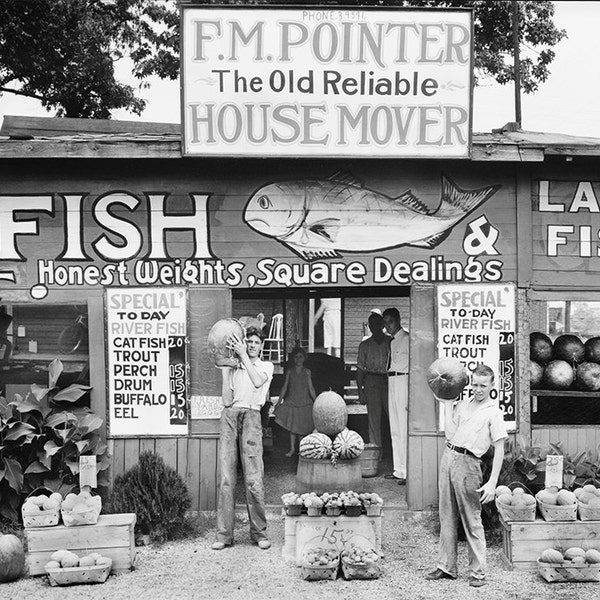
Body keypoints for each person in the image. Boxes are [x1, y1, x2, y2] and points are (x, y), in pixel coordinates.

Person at [425, 364, 508, 587]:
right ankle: (447, 567)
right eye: (475, 384)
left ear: (492, 385)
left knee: (472, 519)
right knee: (446, 514)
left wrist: (492, 483)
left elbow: (499, 448)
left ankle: (478, 572)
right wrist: (448, 404)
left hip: (469, 464)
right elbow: (450, 434)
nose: (478, 389)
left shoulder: (494, 412)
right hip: (449, 456)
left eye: (483, 385)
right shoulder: (463, 405)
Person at [211, 326, 274, 551]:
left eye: (257, 342)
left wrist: (244, 357)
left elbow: (258, 382)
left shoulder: (265, 366)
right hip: (230, 416)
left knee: (254, 478)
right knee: (227, 478)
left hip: (252, 416)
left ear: (262, 346)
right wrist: (226, 369)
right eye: (249, 342)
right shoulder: (235, 366)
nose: (253, 345)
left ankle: (259, 533)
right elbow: (227, 400)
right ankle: (223, 535)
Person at [273, 346, 317, 457]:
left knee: (302, 428)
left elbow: (311, 387)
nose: (298, 359)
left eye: (301, 357)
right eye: (296, 357)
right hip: (292, 401)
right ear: (293, 358)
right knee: (293, 428)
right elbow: (285, 387)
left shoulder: (307, 372)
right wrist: (279, 401)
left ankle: (301, 449)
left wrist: (316, 401)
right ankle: (292, 449)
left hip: (304, 401)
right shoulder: (289, 372)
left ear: (304, 358)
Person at [382, 307, 409, 484]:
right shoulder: (391, 342)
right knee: (395, 428)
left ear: (398, 320)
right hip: (392, 381)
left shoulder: (407, 339)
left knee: (403, 427)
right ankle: (398, 469)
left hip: (403, 381)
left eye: (390, 321)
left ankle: (407, 471)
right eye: (385, 323)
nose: (387, 326)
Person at [356, 312, 391, 450]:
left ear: (383, 325)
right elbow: (359, 369)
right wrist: (360, 391)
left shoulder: (390, 341)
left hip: (388, 381)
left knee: (393, 416)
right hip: (371, 381)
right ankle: (376, 451)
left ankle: (396, 452)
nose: (374, 327)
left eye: (378, 324)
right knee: (373, 419)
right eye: (372, 324)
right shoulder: (364, 345)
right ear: (369, 326)